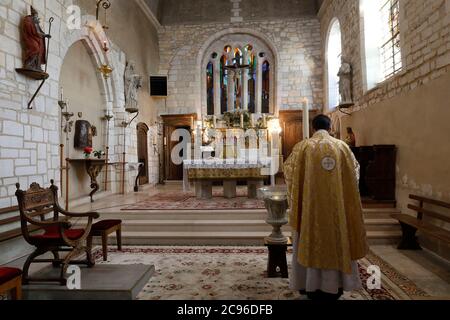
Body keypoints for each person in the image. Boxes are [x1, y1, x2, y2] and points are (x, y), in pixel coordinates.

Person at [283, 114, 368, 300]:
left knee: (310, 241)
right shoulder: (342, 147)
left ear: (313, 128)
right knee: (338, 238)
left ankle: (310, 284)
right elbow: (355, 174)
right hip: (337, 210)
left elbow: (289, 172)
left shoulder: (303, 147)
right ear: (330, 128)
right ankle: (337, 285)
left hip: (310, 212)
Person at [21, 6, 50, 72]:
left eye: (37, 16)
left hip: (36, 39)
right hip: (30, 38)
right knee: (35, 48)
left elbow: (39, 32)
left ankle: (37, 66)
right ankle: (28, 64)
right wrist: (35, 24)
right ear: (32, 15)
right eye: (35, 16)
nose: (36, 17)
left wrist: (45, 35)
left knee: (40, 50)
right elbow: (33, 31)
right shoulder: (28, 20)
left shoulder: (35, 22)